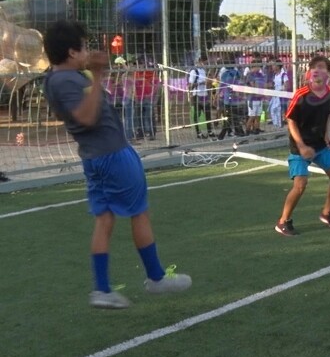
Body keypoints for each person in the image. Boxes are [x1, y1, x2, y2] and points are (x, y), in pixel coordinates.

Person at [42, 20, 191, 309]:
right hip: (112, 154)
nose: (87, 52)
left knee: (105, 218)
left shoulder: (55, 79)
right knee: (139, 212)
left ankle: (102, 288)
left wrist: (96, 75)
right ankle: (156, 278)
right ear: (71, 52)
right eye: (83, 47)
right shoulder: (66, 80)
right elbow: (86, 117)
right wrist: (98, 76)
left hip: (95, 155)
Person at [275, 55, 330, 237]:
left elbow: (327, 115)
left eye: (322, 67)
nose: (317, 70)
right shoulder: (301, 95)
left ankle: (327, 213)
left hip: (320, 145)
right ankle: (283, 221)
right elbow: (290, 120)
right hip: (300, 147)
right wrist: (302, 146)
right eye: (314, 67)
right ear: (309, 73)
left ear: (328, 73)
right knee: (300, 185)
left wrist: (327, 135)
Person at [188, 54, 215, 139]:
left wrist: (209, 83)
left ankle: (210, 131)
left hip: (205, 95)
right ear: (200, 61)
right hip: (197, 95)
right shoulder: (194, 71)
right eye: (204, 62)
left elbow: (208, 83)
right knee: (197, 114)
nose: (205, 64)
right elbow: (190, 85)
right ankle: (198, 132)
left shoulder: (203, 71)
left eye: (206, 63)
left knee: (208, 113)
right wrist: (201, 83)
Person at [245, 63, 266, 135]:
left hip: (259, 98)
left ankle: (256, 129)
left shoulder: (260, 75)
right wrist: (258, 91)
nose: (259, 68)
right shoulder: (249, 75)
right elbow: (253, 86)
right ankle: (247, 130)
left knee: (258, 115)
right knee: (252, 116)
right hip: (252, 99)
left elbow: (263, 84)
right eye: (258, 67)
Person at [268, 60, 290, 128]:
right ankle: (278, 124)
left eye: (274, 65)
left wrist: (280, 89)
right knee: (274, 109)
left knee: (283, 111)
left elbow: (287, 86)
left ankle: (287, 124)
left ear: (278, 66)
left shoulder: (284, 75)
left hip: (282, 97)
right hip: (276, 96)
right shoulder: (275, 75)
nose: (272, 66)